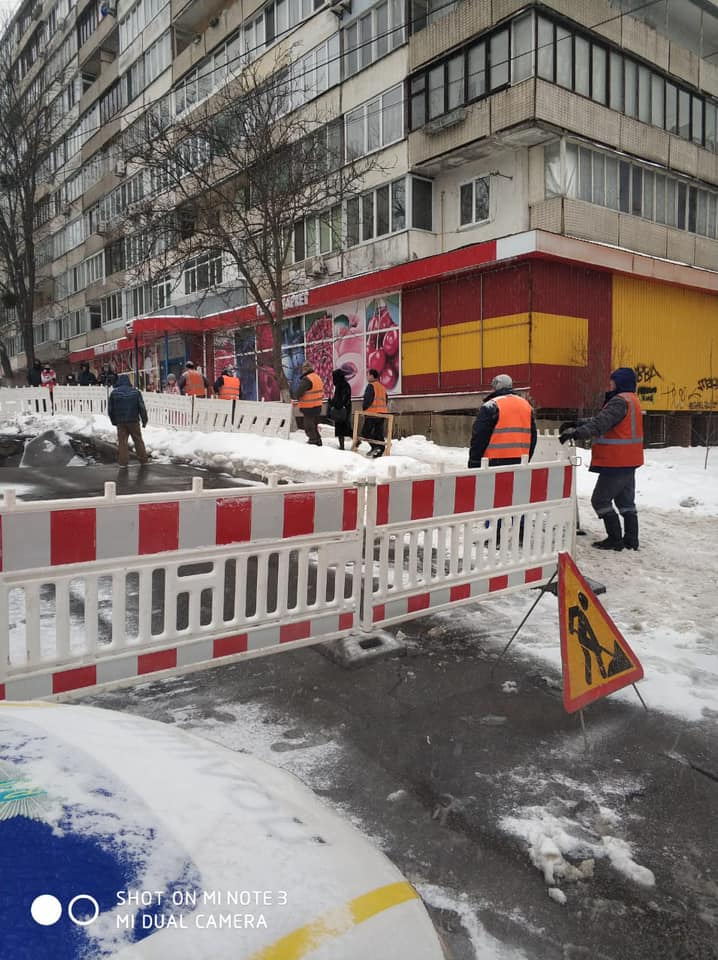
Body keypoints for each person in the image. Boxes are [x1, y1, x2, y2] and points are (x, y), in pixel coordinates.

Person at [560, 367, 643, 551]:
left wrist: (577, 433)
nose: (610, 384)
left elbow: (601, 423)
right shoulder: (631, 399)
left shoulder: (619, 401)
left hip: (616, 460)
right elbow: (603, 418)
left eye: (613, 381)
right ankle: (631, 539)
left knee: (600, 500)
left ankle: (615, 539)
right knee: (626, 503)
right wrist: (577, 423)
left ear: (620, 382)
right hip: (629, 460)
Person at [468, 374, 536, 467]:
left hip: (493, 462)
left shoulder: (491, 406)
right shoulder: (526, 406)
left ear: (495, 387)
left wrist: (474, 461)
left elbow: (480, 436)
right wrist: (527, 458)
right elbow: (533, 436)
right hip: (520, 460)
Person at [107, 374, 149, 467]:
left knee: (122, 442)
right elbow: (142, 407)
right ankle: (143, 460)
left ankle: (123, 462)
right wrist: (144, 420)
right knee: (138, 440)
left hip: (121, 422)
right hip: (134, 420)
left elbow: (110, 409)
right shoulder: (136, 392)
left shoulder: (114, 393)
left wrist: (114, 421)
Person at [294, 360, 324, 445]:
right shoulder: (317, 377)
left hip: (309, 407)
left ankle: (313, 441)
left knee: (309, 426)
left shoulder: (306, 379)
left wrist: (296, 396)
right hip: (317, 406)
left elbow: (299, 393)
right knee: (314, 425)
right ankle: (318, 440)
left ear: (304, 369)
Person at [362, 368, 388, 458]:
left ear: (372, 376)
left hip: (372, 413)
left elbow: (367, 400)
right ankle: (380, 450)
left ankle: (375, 447)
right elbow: (386, 400)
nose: (367, 377)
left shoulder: (371, 386)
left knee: (365, 432)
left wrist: (364, 409)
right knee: (378, 433)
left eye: (368, 375)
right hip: (382, 413)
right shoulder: (382, 387)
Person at [328, 368, 352, 450]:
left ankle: (342, 446)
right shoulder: (345, 384)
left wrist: (332, 403)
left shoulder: (340, 386)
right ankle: (356, 440)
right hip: (346, 408)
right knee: (346, 426)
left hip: (340, 410)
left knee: (340, 428)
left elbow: (339, 399)